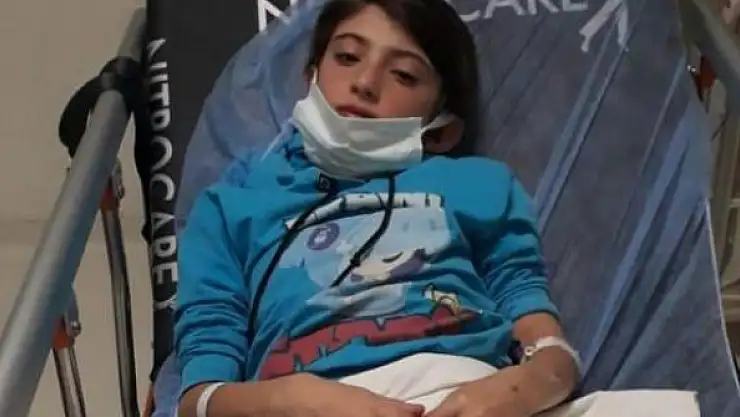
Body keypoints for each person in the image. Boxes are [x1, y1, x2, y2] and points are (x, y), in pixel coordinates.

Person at [174, 1, 581, 417]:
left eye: (404, 75)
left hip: (468, 393)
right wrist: (289, 400)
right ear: (310, 79)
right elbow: (198, 400)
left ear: (442, 131)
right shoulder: (229, 209)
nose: (365, 83)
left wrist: (539, 381)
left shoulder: (478, 184)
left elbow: (532, 319)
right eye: (347, 57)